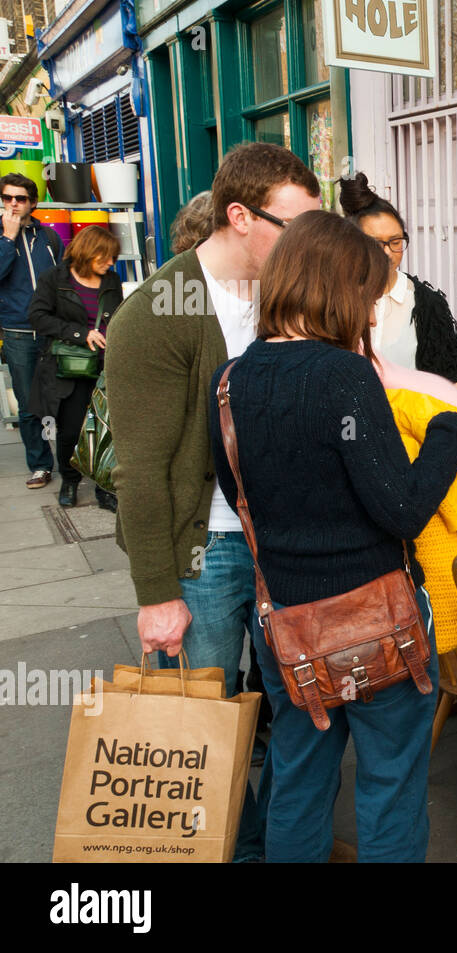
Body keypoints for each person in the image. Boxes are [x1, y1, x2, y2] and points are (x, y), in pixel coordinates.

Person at [210, 210, 457, 862]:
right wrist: (449, 435)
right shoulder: (343, 377)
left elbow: (244, 496)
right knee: (389, 783)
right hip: (376, 623)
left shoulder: (230, 382)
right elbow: (403, 509)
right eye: (366, 293)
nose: (373, 311)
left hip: (289, 627)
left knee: (298, 776)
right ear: (336, 289)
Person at [104, 142, 322, 862]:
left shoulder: (288, 297)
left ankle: (264, 846)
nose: (307, 245)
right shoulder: (157, 313)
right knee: (201, 722)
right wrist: (155, 592)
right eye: (293, 227)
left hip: (287, 546)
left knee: (301, 712)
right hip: (208, 549)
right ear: (239, 215)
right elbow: (140, 470)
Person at [338, 172, 457, 386]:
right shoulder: (332, 297)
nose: (386, 253)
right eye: (375, 243)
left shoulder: (425, 303)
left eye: (395, 241)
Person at [27, 226, 123, 509]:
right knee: (70, 429)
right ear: (88, 252)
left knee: (105, 428)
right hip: (70, 368)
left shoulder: (112, 280)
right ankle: (69, 480)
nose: (111, 263)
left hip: (105, 365)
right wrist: (81, 334)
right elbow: (38, 317)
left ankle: (104, 487)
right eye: (105, 257)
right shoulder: (54, 280)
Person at [0, 172, 64, 489]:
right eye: (7, 198)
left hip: (54, 331)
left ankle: (73, 461)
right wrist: (8, 239)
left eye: (20, 198)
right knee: (29, 406)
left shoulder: (49, 238)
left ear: (33, 203)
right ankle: (40, 464)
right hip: (18, 333)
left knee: (65, 399)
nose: (13, 204)